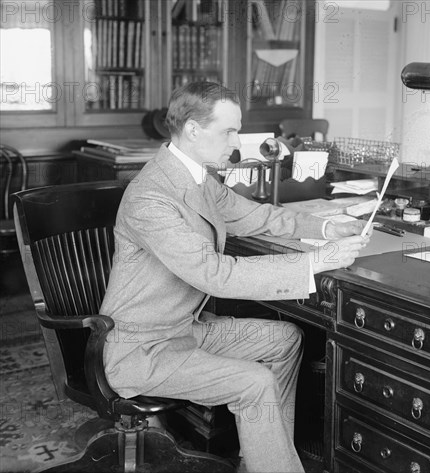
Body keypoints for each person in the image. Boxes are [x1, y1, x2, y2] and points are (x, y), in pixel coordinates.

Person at [100, 81, 369, 473]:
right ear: (192, 129)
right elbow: (214, 274)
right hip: (141, 348)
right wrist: (315, 263)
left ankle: (259, 459)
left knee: (285, 340)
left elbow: (255, 215)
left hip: (183, 330)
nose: (236, 140)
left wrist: (327, 229)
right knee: (254, 381)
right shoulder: (151, 196)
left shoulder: (197, 178)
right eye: (228, 130)